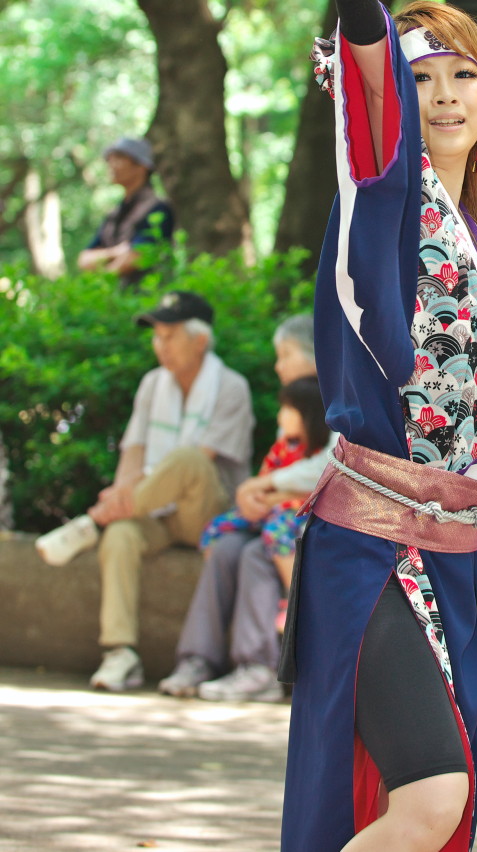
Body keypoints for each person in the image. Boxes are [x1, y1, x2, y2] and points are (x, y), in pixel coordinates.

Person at [279, 0, 477, 852]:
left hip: (450, 560)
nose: (441, 94)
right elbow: (372, 96)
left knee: (437, 817)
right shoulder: (389, 192)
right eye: (419, 76)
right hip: (374, 556)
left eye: (463, 74)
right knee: (432, 800)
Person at [35, 290, 254, 692]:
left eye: (169, 336)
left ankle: (91, 522)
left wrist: (116, 502)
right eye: (156, 336)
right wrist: (122, 492)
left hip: (206, 512)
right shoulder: (152, 384)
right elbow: (132, 453)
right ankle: (120, 653)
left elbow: (200, 460)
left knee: (189, 459)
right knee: (120, 536)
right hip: (156, 513)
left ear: (200, 340)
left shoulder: (231, 387)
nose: (160, 346)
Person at [158, 314, 329, 702]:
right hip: (279, 515)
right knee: (227, 550)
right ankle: (199, 659)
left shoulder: (340, 398)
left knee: (254, 555)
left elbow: (327, 465)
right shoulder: (296, 403)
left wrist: (264, 487)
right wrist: (254, 496)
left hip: (312, 522)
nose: (278, 365)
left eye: (285, 355)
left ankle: (257, 666)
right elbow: (281, 466)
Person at [77, 136, 174, 280]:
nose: (112, 165)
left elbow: (137, 256)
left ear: (142, 166)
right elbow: (84, 259)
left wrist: (103, 277)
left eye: (120, 159)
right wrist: (116, 252)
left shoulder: (158, 208)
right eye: (110, 160)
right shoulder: (114, 214)